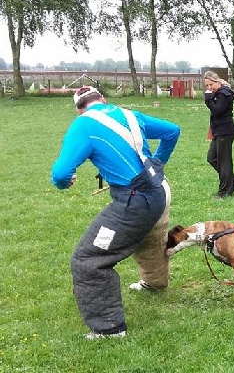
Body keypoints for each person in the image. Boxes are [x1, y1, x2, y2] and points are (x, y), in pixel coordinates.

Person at [51, 86, 180, 338]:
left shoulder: (83, 125)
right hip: (158, 191)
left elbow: (60, 173)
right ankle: (155, 282)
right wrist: (158, 162)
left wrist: (65, 183)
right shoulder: (130, 115)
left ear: (79, 108)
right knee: (148, 238)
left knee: (88, 260)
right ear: (103, 100)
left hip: (134, 201)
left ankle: (109, 328)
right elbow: (172, 131)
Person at [203, 70, 234, 199]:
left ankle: (225, 192)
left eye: (210, 84)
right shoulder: (219, 93)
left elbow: (217, 110)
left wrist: (208, 99)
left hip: (225, 131)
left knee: (224, 162)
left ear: (216, 81)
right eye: (206, 86)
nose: (209, 88)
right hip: (220, 131)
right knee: (211, 158)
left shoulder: (223, 94)